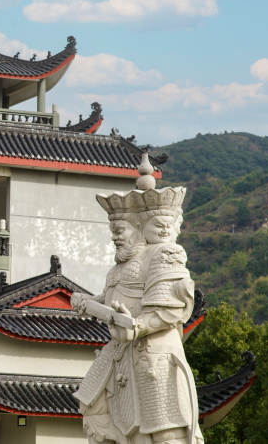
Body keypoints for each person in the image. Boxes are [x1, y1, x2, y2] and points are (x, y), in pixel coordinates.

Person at [71, 156, 203, 444]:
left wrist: (139, 326)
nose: (115, 238)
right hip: (119, 353)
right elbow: (111, 299)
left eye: (120, 231)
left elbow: (171, 310)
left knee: (163, 428)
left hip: (153, 352)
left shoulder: (163, 256)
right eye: (114, 232)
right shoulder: (117, 268)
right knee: (94, 408)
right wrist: (88, 302)